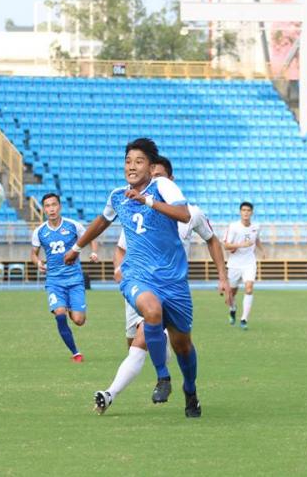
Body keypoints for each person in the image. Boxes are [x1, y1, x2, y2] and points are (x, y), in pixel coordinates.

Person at [65, 138, 202, 418]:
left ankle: (190, 390)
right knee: (151, 311)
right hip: (137, 275)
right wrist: (77, 248)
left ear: (151, 167)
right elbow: (102, 221)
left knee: (183, 345)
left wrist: (148, 201)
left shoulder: (161, 186)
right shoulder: (118, 196)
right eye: (128, 161)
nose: (131, 166)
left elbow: (184, 214)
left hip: (173, 280)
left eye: (139, 161)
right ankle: (163, 376)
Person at [93, 155, 230, 415]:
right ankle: (120, 390)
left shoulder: (192, 213)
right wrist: (119, 269)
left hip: (174, 286)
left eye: (159, 177)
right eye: (151, 177)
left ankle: (189, 389)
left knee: (183, 346)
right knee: (137, 342)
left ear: (171, 180)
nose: (153, 182)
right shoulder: (137, 210)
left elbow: (212, 240)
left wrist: (222, 276)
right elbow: (121, 248)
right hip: (143, 283)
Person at [31, 193, 98, 363]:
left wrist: (93, 252)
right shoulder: (39, 232)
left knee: (79, 320)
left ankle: (69, 307)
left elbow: (91, 237)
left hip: (75, 280)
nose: (51, 209)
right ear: (44, 209)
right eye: (47, 206)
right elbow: (33, 253)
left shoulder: (73, 225)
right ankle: (76, 353)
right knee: (60, 314)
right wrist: (38, 262)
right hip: (54, 281)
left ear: (59, 206)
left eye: (54, 205)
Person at [223, 202, 264, 330]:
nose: (246, 212)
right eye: (243, 210)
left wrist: (262, 250)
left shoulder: (256, 227)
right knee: (231, 294)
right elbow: (226, 245)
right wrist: (241, 245)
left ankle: (244, 319)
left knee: (249, 288)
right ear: (240, 212)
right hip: (234, 264)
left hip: (249, 263)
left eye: (248, 210)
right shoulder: (233, 226)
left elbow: (256, 239)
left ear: (252, 212)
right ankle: (232, 309)